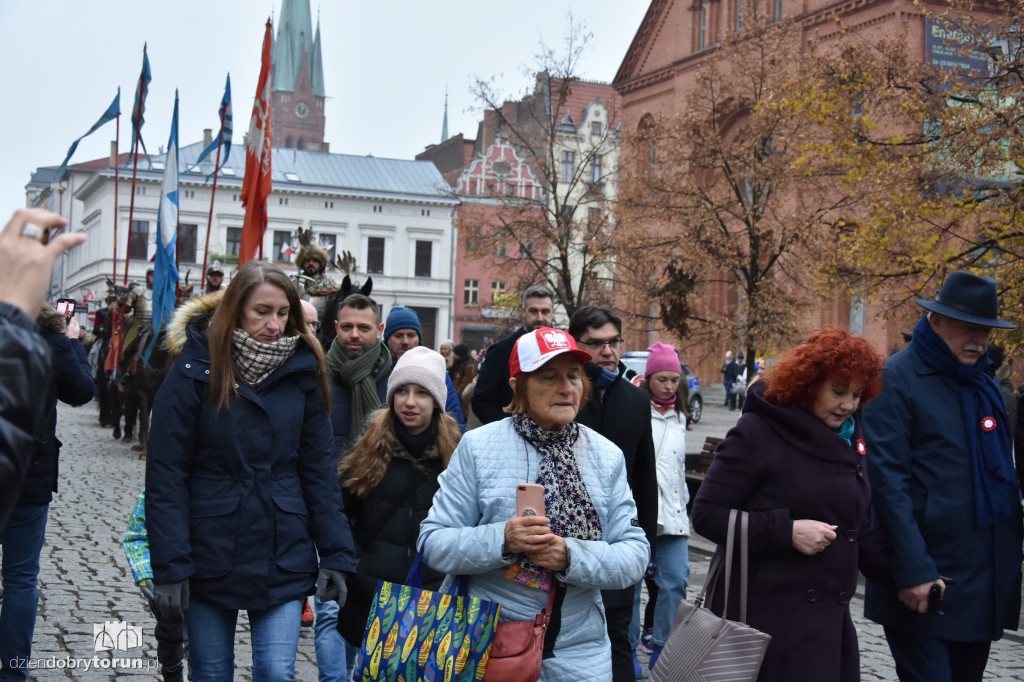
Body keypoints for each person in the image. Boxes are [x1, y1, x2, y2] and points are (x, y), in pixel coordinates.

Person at [145, 260, 357, 680]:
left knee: (277, 674)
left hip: (283, 551)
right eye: (262, 311)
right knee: (210, 673)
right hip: (208, 552)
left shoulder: (303, 372)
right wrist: (169, 566)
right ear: (236, 309)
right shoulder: (193, 370)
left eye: (283, 313)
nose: (275, 324)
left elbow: (318, 471)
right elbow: (166, 474)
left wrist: (336, 553)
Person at [420, 327, 650, 680]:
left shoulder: (607, 457)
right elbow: (433, 543)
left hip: (580, 652)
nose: (566, 387)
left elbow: (634, 554)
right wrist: (502, 540)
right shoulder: (479, 448)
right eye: (549, 377)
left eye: (573, 376)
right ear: (518, 387)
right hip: (488, 642)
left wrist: (571, 556)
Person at [691, 326, 892, 681]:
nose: (849, 404)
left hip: (828, 623)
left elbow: (854, 525)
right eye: (839, 391)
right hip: (767, 623)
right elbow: (707, 514)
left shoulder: (847, 435)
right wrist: (785, 532)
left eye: (858, 394)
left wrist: (907, 578)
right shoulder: (758, 431)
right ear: (808, 384)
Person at [863, 272, 1023, 682]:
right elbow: (886, 484)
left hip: (981, 582)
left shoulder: (984, 385)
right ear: (936, 322)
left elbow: (1002, 480)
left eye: (985, 330)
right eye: (969, 328)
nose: (979, 339)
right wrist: (913, 570)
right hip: (927, 578)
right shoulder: (896, 380)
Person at [336, 346, 461, 650]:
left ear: (437, 401)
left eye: (422, 393)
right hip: (373, 599)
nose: (410, 402)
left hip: (436, 600)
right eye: (402, 391)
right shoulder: (369, 450)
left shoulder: (458, 456)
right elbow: (338, 513)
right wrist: (355, 563)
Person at [0, 305, 94, 682]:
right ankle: (12, 673)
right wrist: (69, 342)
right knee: (21, 578)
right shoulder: (51, 339)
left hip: (28, 473)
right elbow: (82, 390)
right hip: (27, 473)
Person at [567, 305, 657, 681]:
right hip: (570, 544)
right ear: (578, 345)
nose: (608, 351)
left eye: (614, 342)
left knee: (619, 634)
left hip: (618, 542)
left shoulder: (636, 400)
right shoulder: (566, 394)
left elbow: (644, 476)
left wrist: (645, 544)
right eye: (597, 343)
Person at [319, 292, 392, 679]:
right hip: (328, 506)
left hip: (378, 511)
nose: (354, 334)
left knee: (368, 611)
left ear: (379, 330)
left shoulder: (395, 379)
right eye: (346, 326)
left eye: (364, 328)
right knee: (330, 608)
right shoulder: (318, 374)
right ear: (335, 328)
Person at [628, 342, 692, 672]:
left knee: (676, 581)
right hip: (639, 514)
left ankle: (662, 645)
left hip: (674, 515)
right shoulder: (636, 410)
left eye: (673, 380)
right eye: (662, 379)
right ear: (649, 378)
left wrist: (683, 502)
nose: (668, 386)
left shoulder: (681, 416)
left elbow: (677, 468)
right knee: (631, 584)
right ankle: (626, 649)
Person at [123, 490, 186, 682]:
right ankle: (172, 668)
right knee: (170, 630)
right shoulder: (159, 486)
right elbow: (136, 535)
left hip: (208, 580)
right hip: (164, 579)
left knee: (201, 642)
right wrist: (144, 574)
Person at [471, 284, 555, 424]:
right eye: (534, 311)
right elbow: (482, 402)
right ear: (523, 312)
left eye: (545, 311)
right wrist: (511, 432)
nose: (540, 318)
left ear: (553, 312)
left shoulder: (565, 351)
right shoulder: (501, 351)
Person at [383, 306, 466, 431]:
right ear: (387, 338)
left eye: (411, 335)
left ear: (418, 338)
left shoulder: (436, 371)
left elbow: (455, 420)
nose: (405, 341)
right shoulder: (376, 370)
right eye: (398, 335)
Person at [449, 343, 474, 417]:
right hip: (456, 403)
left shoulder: (469, 367)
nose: (453, 356)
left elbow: (464, 386)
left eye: (455, 353)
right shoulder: (459, 365)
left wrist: (453, 398)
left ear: (461, 354)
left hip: (461, 406)